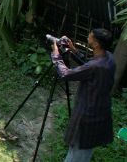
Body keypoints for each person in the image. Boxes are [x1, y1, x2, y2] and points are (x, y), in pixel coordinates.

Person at [50, 29, 116, 162]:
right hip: (99, 113)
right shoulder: (108, 57)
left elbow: (65, 74)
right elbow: (88, 66)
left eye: (90, 36)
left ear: (96, 44)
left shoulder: (96, 66)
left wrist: (56, 55)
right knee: (82, 152)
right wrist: (74, 50)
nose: (88, 36)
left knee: (77, 156)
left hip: (88, 119)